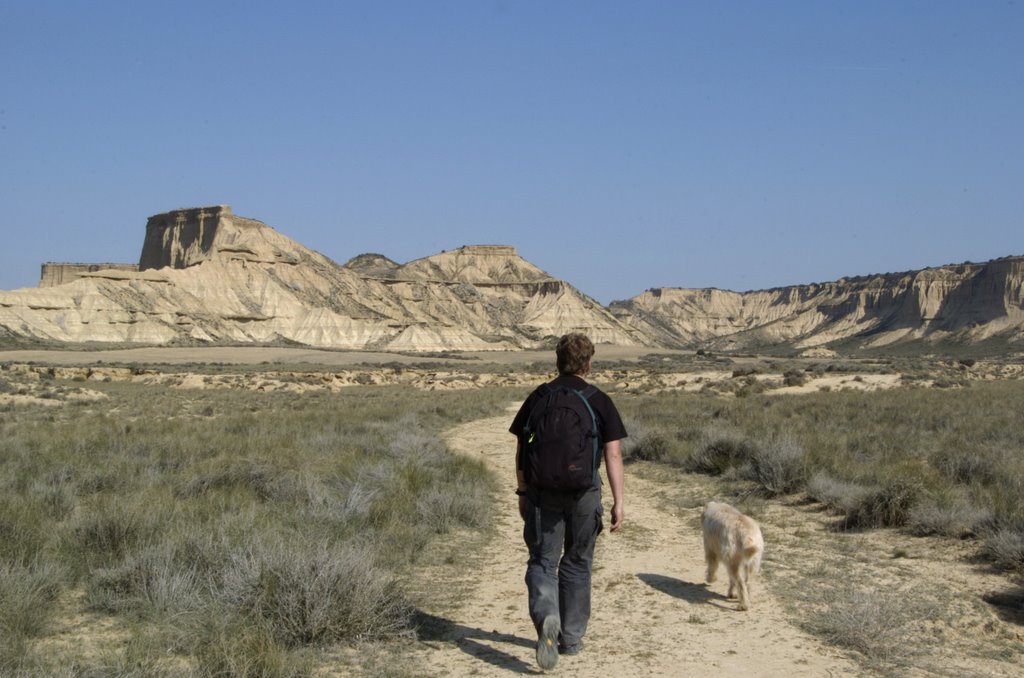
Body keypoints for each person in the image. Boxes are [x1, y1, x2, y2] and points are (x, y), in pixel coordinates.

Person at [508, 333, 626, 670]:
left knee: (543, 562)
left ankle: (547, 616)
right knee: (577, 562)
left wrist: (522, 491)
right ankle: (571, 638)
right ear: (589, 364)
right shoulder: (598, 399)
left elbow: (522, 450)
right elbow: (613, 453)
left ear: (557, 362)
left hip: (542, 495)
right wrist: (619, 501)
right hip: (584, 494)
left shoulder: (538, 398)